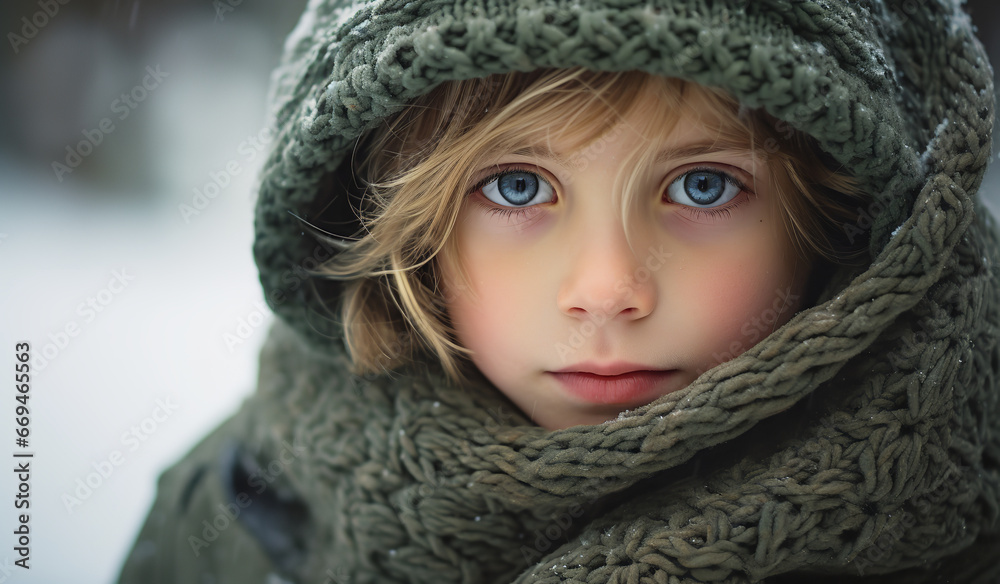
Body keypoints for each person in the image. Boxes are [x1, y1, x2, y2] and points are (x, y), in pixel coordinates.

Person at [117, 0, 1000, 582]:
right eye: (516, 187)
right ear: (395, 226)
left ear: (841, 220)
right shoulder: (236, 506)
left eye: (702, 186)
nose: (608, 290)